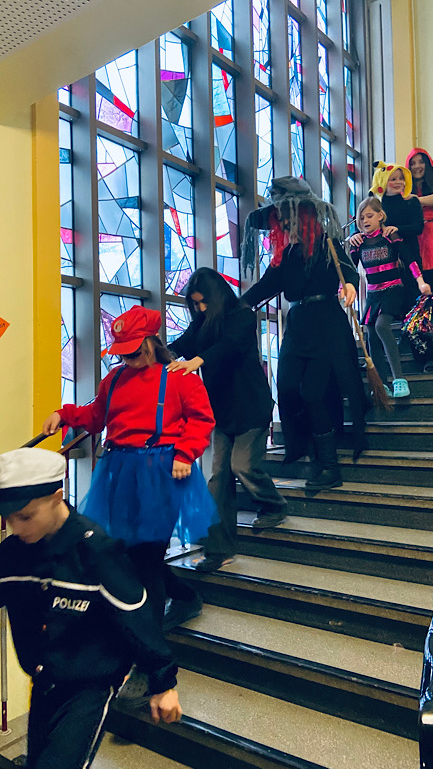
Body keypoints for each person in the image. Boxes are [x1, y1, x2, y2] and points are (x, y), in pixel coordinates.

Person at [0, 447, 181, 769]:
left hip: (89, 686)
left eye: (25, 516)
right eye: (8, 518)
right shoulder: (14, 553)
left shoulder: (96, 551)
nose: (17, 528)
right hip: (44, 680)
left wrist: (163, 682)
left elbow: (135, 616)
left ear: (56, 497)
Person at [42, 306, 217, 631]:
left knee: (148, 553)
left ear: (151, 343)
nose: (128, 359)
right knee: (128, 550)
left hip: (162, 472)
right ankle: (183, 596)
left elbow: (201, 419)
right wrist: (64, 415)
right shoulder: (114, 379)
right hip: (119, 473)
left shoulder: (179, 378)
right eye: (123, 353)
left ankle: (149, 637)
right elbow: (96, 416)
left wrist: (185, 453)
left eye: (134, 352)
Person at [240, 176, 367, 491]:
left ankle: (330, 466)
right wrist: (233, 306)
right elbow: (264, 287)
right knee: (287, 386)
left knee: (312, 392)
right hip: (298, 325)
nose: (283, 222)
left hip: (327, 325)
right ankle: (307, 446)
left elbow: (347, 270)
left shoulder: (326, 243)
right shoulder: (285, 255)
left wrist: (350, 286)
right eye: (280, 217)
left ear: (303, 214)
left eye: (287, 215)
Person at [167, 267, 287, 573]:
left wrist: (198, 360)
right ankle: (219, 550)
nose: (200, 308)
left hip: (251, 406)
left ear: (217, 295)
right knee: (218, 478)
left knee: (242, 466)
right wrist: (158, 354)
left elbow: (230, 345)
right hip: (221, 410)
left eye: (203, 301)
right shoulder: (201, 322)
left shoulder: (242, 315)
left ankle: (273, 504)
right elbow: (182, 344)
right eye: (195, 304)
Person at [348, 160, 433, 373]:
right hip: (383, 266)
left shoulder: (411, 201)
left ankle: (426, 357)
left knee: (414, 311)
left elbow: (417, 227)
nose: (398, 182)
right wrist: (355, 236)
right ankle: (379, 362)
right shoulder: (378, 205)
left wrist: (393, 229)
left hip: (408, 261)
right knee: (378, 321)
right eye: (393, 179)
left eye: (401, 178)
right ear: (383, 181)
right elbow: (364, 224)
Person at [350, 197, 431, 398]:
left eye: (369, 216)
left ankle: (399, 379)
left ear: (380, 216)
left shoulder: (389, 236)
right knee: (370, 333)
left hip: (393, 289)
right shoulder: (358, 243)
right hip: (373, 293)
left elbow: (408, 258)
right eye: (361, 218)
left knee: (381, 326)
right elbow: (350, 269)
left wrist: (420, 281)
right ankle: (382, 383)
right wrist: (345, 287)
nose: (365, 220)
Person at [406, 148, 433, 330]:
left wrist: (413, 199)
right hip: (415, 236)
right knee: (419, 278)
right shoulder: (405, 187)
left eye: (421, 161)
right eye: (413, 163)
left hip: (432, 235)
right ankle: (423, 322)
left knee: (430, 276)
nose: (417, 166)